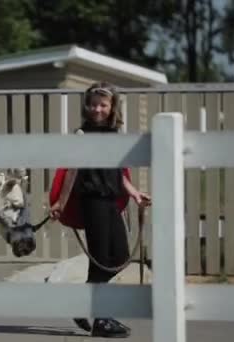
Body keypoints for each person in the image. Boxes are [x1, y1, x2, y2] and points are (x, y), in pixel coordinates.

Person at [49, 81, 151, 338]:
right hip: (92, 201)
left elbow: (119, 173)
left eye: (103, 104)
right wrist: (60, 202)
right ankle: (102, 319)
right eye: (93, 104)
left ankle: (83, 304)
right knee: (102, 259)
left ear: (112, 106)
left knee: (119, 258)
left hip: (111, 202)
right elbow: (71, 170)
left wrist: (135, 193)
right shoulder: (82, 135)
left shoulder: (115, 135)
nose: (97, 109)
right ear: (87, 106)